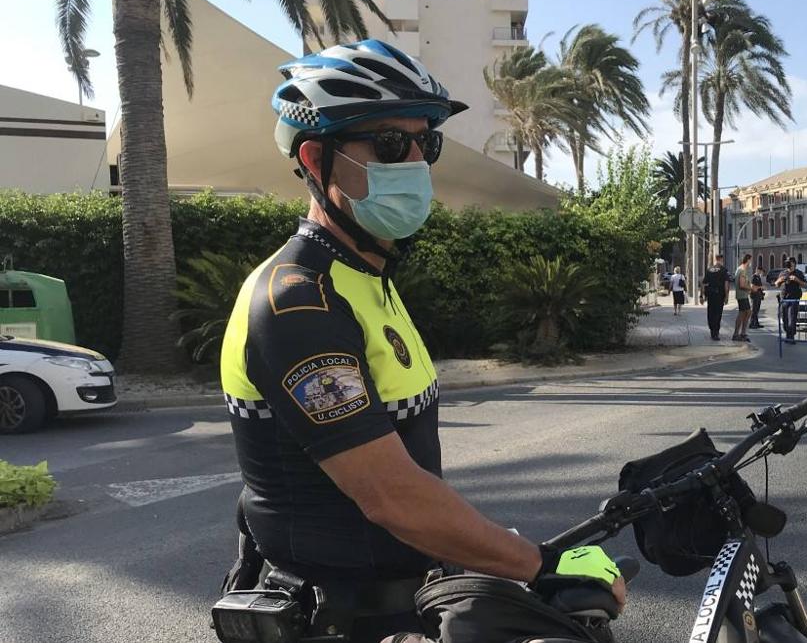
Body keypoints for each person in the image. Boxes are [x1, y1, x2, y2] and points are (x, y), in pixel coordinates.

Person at [219, 40, 623, 642]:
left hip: (405, 598)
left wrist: (492, 545)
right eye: (387, 144)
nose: (413, 160)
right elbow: (391, 495)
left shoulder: (367, 278)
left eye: (423, 142)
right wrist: (537, 566)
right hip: (344, 619)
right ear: (315, 156)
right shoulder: (298, 302)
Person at [774, 258, 807, 343]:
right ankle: (788, 334)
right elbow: (776, 284)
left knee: (791, 319)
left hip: (793, 299)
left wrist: (797, 280)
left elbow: (805, 285)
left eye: (790, 263)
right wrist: (780, 280)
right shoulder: (783, 273)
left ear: (794, 264)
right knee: (785, 320)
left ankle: (791, 337)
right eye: (787, 263)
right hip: (784, 299)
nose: (788, 264)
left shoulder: (798, 273)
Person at [701, 255, 731, 340]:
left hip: (710, 295)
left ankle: (712, 331)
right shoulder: (724, 270)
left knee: (711, 312)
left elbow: (703, 283)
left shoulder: (709, 270)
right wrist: (727, 296)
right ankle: (716, 332)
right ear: (721, 260)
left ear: (715, 259)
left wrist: (701, 296)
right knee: (718, 313)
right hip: (719, 295)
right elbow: (726, 284)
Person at [731, 254, 754, 342]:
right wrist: (751, 288)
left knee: (744, 313)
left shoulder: (739, 269)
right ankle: (740, 333)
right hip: (742, 296)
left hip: (742, 295)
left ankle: (740, 333)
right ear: (748, 260)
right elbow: (742, 285)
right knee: (746, 313)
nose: (751, 263)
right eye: (750, 260)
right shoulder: (742, 270)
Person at [749, 265, 766, 329]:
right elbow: (753, 287)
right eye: (761, 271)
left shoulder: (758, 277)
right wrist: (761, 287)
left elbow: (758, 287)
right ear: (758, 270)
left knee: (757, 310)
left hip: (758, 296)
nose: (762, 273)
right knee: (754, 310)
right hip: (754, 296)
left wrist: (762, 289)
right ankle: (751, 324)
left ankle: (756, 323)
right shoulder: (754, 277)